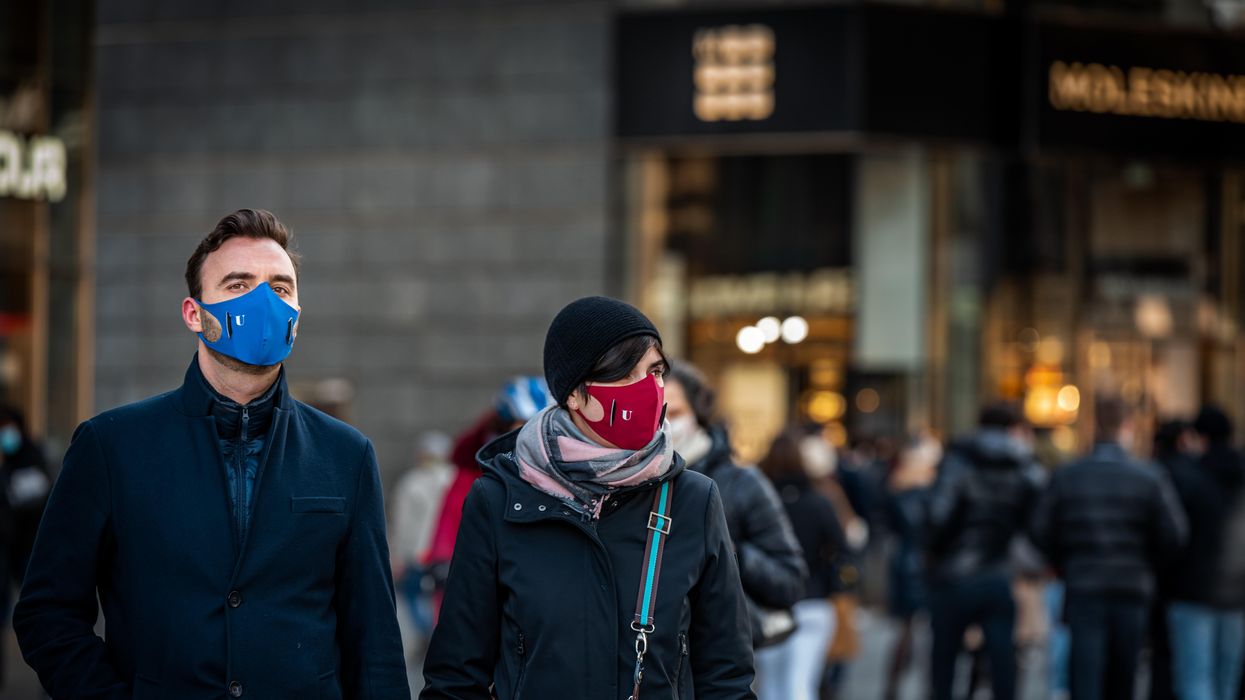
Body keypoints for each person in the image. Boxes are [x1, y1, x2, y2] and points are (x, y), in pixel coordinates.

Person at [14, 209, 409, 698]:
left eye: (281, 288)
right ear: (194, 313)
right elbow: (47, 613)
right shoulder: (111, 446)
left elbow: (374, 640)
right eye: (238, 284)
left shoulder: (345, 455)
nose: (264, 301)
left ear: (297, 317)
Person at [420, 296, 755, 699]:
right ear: (574, 394)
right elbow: (456, 676)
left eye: (655, 370)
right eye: (625, 374)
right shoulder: (499, 498)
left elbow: (727, 676)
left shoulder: (693, 499)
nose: (649, 389)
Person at [1030, 396, 1187, 700]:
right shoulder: (1148, 477)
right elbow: (1174, 535)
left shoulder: (1069, 477)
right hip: (1130, 586)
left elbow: (1040, 529)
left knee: (1085, 675)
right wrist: (1147, 563)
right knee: (1123, 676)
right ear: (1127, 427)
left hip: (1085, 585)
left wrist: (1064, 561)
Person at [665, 362, 807, 648]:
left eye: (675, 413)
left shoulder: (743, 483)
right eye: (656, 412)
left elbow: (790, 581)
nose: (665, 424)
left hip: (718, 651)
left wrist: (728, 553)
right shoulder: (630, 480)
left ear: (699, 414)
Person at [924, 404, 1044, 700]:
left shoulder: (958, 460)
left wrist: (934, 556)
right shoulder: (1024, 465)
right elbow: (1039, 524)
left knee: (944, 663)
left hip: (953, 576)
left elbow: (937, 517)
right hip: (998, 574)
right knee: (1003, 660)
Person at [422, 376, 554, 602]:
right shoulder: (474, 475)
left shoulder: (558, 469)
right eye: (520, 425)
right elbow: (452, 520)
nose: (528, 435)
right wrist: (443, 561)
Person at [756, 428, 847, 700]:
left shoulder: (760, 502)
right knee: (801, 684)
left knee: (770, 685)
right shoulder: (819, 502)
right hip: (813, 599)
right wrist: (836, 585)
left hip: (767, 602)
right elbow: (842, 549)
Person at [1164, 406, 1245, 700]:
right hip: (1237, 593)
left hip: (1193, 590)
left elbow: (1173, 534)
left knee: (1196, 678)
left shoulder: (1189, 477)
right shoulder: (1237, 475)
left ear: (1199, 437)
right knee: (1227, 680)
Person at [880, 434, 939, 700]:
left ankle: (898, 689)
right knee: (917, 635)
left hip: (910, 563)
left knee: (914, 634)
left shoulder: (901, 488)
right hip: (917, 566)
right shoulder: (914, 492)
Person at [0, 403, 50, 690]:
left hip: (31, 550)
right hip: (9, 553)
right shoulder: (7, 461)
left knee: (41, 616)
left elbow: (34, 491)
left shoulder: (31, 455)